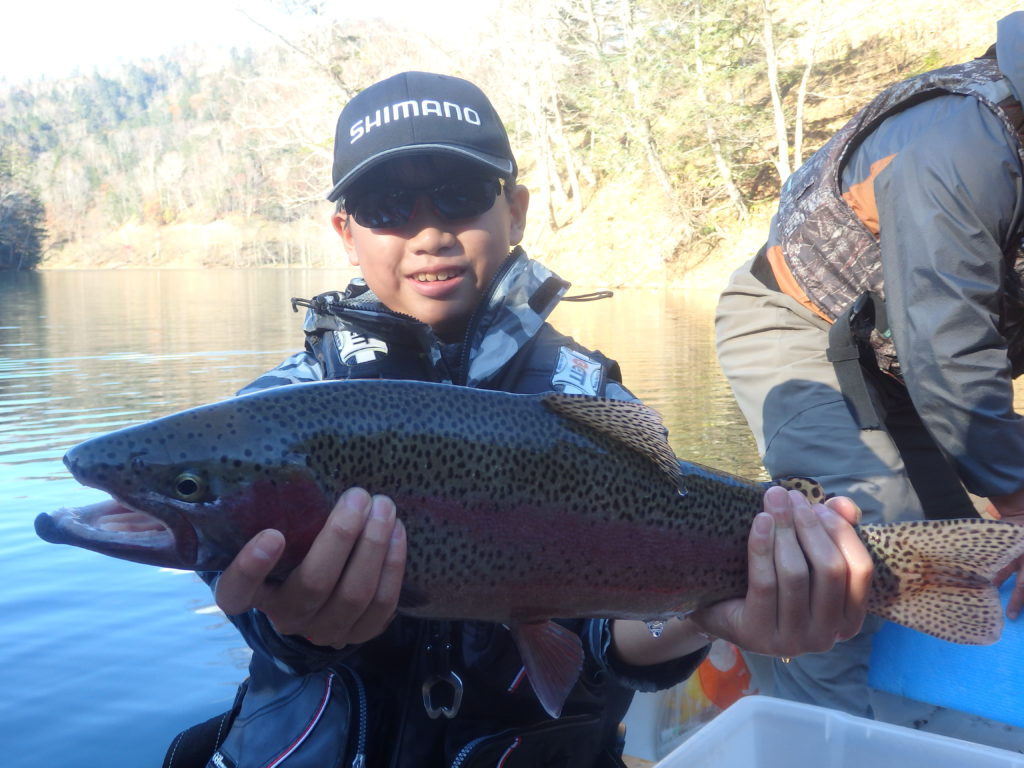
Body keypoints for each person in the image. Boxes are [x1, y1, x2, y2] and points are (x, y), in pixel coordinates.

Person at [164, 71, 873, 768]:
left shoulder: (592, 399)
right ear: (346, 232)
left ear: (516, 211)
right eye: (386, 204)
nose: (430, 230)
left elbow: (609, 633)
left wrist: (704, 616)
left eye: (460, 195)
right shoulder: (273, 419)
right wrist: (297, 630)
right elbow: (257, 610)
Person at [715, 12, 1024, 731]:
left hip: (897, 364)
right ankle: (821, 727)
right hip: (796, 324)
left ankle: (941, 714)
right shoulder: (959, 142)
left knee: (957, 555)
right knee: (867, 542)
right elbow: (948, 354)